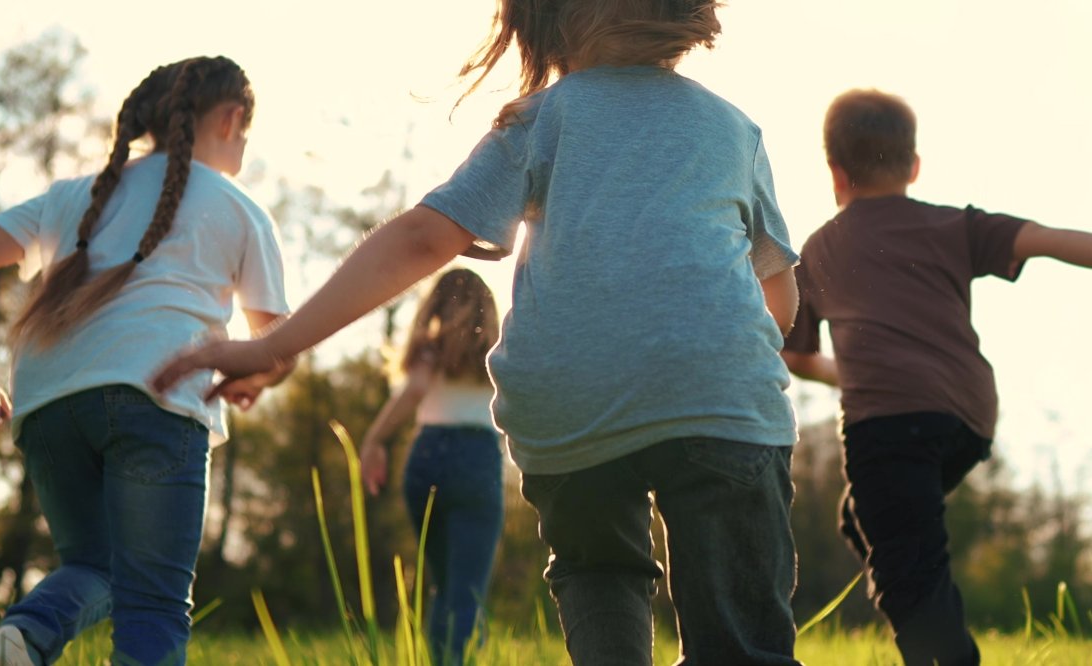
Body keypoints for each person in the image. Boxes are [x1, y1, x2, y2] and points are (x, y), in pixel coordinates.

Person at [148, 0, 805, 661]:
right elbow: (780, 298)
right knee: (741, 642)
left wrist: (272, 344)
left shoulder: (543, 117)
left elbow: (420, 239)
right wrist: (688, 348)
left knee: (601, 573)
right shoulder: (731, 128)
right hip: (720, 396)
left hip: (571, 410)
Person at [781, 88, 1092, 665]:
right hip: (966, 419)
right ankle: (914, 583)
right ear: (914, 166)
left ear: (834, 172)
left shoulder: (817, 251)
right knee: (866, 522)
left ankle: (939, 641)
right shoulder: (953, 226)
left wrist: (861, 373)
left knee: (910, 574)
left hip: (888, 429)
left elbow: (794, 356)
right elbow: (1049, 239)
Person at [0, 56, 291, 666]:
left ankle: (20, 639)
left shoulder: (77, 196)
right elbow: (277, 343)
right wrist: (251, 370)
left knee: (95, 565)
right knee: (153, 602)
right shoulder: (240, 209)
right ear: (233, 119)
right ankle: (22, 639)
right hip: (155, 397)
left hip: (47, 404)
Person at [358, 268, 505, 665]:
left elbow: (417, 389)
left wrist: (375, 440)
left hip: (426, 458)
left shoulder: (427, 349)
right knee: (467, 589)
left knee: (443, 586)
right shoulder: (498, 352)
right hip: (476, 457)